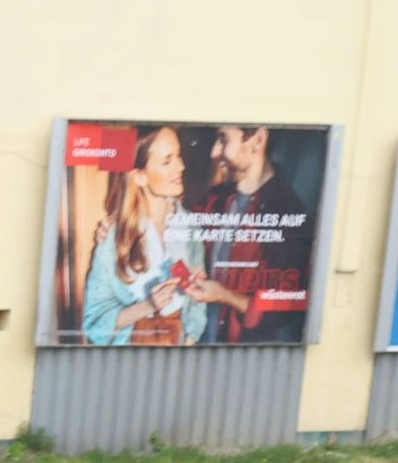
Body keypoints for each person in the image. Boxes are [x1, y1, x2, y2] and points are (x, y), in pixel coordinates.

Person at [78, 124, 244, 345]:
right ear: (139, 177)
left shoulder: (190, 227)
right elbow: (95, 323)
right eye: (167, 161)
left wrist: (188, 343)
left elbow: (196, 308)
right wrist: (148, 306)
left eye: (178, 156)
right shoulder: (113, 236)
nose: (181, 166)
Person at [194, 125, 314, 343]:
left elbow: (290, 306)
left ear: (258, 141)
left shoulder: (288, 213)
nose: (214, 152)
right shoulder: (214, 200)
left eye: (223, 140)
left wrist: (226, 296)